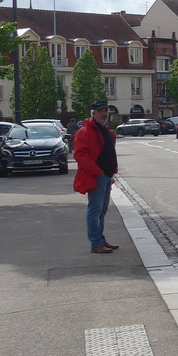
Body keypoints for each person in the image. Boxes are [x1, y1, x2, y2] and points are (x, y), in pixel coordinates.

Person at [72, 101, 120, 254]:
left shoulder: (103, 130)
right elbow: (80, 155)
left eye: (105, 110)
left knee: (102, 211)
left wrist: (110, 171)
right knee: (95, 210)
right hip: (96, 177)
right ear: (93, 113)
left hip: (105, 176)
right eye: (100, 111)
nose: (104, 113)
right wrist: (98, 171)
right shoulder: (85, 132)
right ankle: (96, 243)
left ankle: (100, 239)